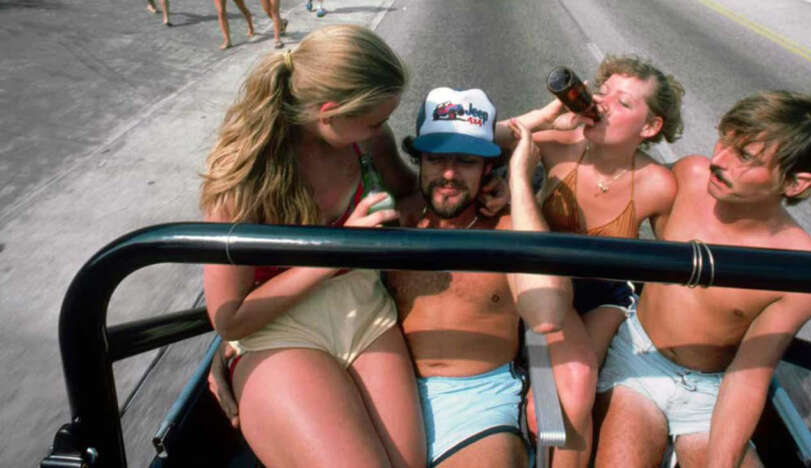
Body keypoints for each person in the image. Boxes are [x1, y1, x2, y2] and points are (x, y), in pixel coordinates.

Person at [201, 25, 426, 468]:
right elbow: (230, 319)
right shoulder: (244, 179)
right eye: (376, 119)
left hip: (366, 315)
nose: (382, 129)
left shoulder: (367, 140)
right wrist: (339, 250)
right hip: (279, 329)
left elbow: (411, 195)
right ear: (329, 113)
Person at [593, 89, 811, 468]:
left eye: (745, 156)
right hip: (639, 361)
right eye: (724, 140)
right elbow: (608, 194)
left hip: (714, 390)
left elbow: (750, 374)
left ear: (794, 184)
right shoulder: (690, 176)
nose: (718, 160)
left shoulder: (803, 270)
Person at [497, 55, 683, 467]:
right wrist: (545, 117)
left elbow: (672, 268)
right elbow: (486, 139)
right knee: (562, 389)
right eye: (603, 93)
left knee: (574, 389)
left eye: (624, 103)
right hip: (540, 282)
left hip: (604, 294)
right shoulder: (559, 146)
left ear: (650, 127)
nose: (602, 104)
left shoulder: (657, 185)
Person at [387, 86, 573, 467]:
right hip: (384, 391)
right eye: (437, 159)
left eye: (467, 161)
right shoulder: (392, 219)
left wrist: (520, 177)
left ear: (489, 167)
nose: (450, 174)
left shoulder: (510, 228)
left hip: (476, 401)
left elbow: (548, 312)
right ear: (419, 159)